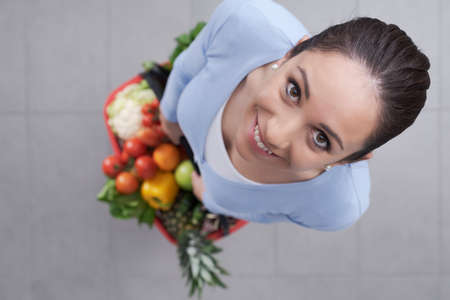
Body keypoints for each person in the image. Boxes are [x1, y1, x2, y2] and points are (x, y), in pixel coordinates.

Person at [159, 0, 431, 231]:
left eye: (321, 138)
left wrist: (213, 200)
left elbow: (266, 213)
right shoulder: (242, 22)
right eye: (294, 90)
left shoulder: (336, 206)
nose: (274, 134)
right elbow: (185, 67)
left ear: (350, 159)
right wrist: (169, 115)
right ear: (290, 54)